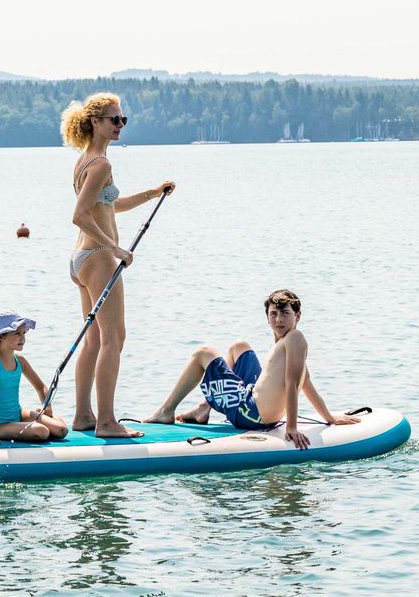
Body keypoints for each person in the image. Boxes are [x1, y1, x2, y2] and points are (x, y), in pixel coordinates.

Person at [63, 92, 175, 439]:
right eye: (115, 120)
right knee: (114, 338)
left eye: (123, 119)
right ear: (95, 122)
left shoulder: (87, 160)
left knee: (94, 341)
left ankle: (83, 416)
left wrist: (153, 192)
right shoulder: (101, 164)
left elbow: (109, 205)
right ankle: (107, 422)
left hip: (80, 261)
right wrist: (116, 249)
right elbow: (79, 215)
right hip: (97, 258)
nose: (120, 125)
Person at [147, 289, 359, 448]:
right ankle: (204, 407)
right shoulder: (285, 343)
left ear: (298, 316)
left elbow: (294, 384)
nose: (279, 319)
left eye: (285, 313)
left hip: (251, 414)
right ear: (267, 318)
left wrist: (291, 428)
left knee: (203, 353)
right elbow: (307, 383)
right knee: (240, 346)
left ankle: (166, 411)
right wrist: (329, 418)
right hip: (253, 403)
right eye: (274, 313)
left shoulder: (295, 338)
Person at [0, 313, 69, 445]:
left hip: (19, 415)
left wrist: (47, 408)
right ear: (1, 337)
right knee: (42, 432)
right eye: (17, 333)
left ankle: (41, 414)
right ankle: (33, 421)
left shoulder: (19, 360)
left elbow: (40, 387)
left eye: (24, 333)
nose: (22, 338)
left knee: (62, 431)